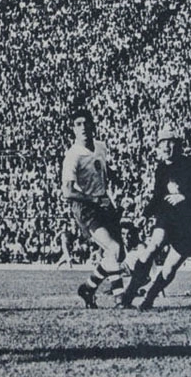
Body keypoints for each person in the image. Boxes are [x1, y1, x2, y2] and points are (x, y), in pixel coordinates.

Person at [120, 126, 191, 311]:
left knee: (171, 267)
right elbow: (158, 197)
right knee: (153, 246)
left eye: (170, 142)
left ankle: (149, 297)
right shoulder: (161, 169)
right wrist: (144, 215)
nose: (166, 147)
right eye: (162, 143)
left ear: (179, 145)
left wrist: (186, 196)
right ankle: (129, 293)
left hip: (189, 222)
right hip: (168, 216)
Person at [61, 109, 126, 309]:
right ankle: (121, 299)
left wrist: (114, 176)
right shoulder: (73, 155)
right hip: (86, 208)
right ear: (73, 129)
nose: (83, 128)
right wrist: (94, 200)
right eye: (78, 124)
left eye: (86, 123)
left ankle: (88, 288)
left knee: (118, 254)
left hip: (104, 203)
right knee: (113, 249)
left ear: (93, 124)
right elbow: (67, 191)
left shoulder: (101, 147)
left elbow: (101, 168)